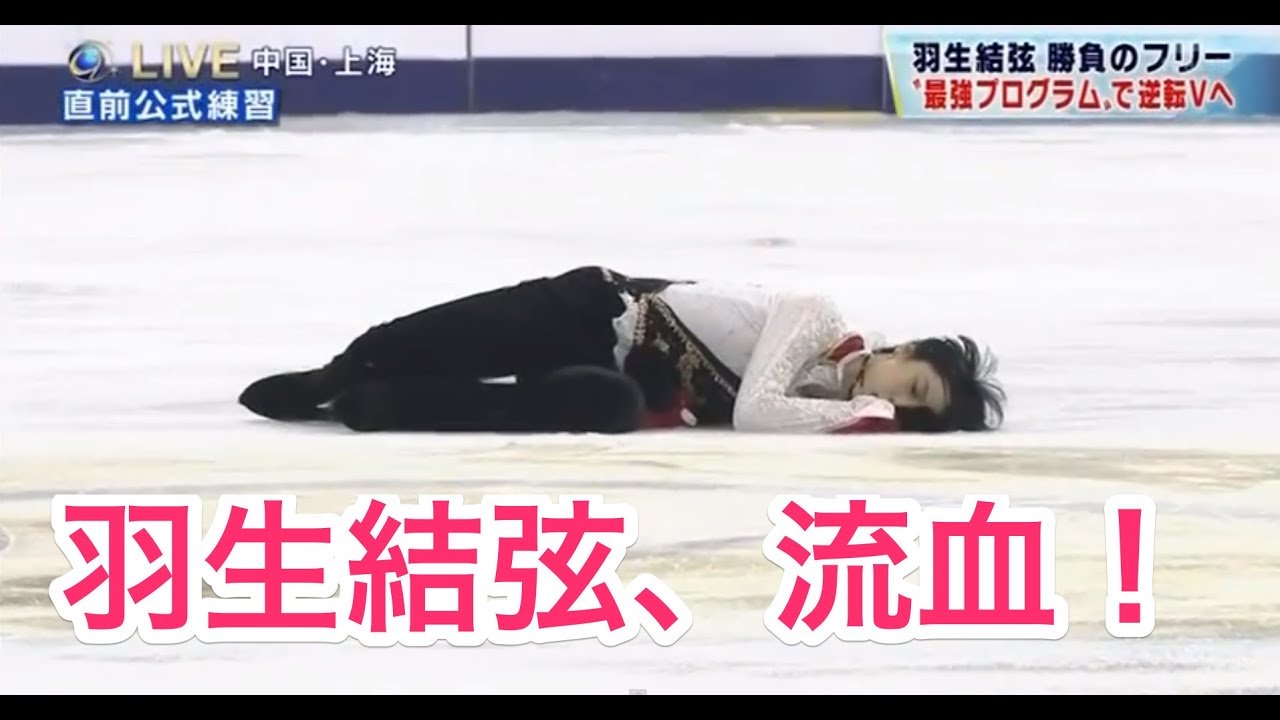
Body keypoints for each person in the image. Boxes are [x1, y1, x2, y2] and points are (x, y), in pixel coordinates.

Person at [238, 266, 1006, 435]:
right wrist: (866, 417)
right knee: (414, 341)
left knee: (600, 405)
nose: (892, 402)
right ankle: (339, 375)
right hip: (585, 308)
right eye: (913, 387)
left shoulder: (819, 404)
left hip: (597, 372)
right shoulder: (818, 317)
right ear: (906, 349)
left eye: (911, 412)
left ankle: (379, 404)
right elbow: (754, 411)